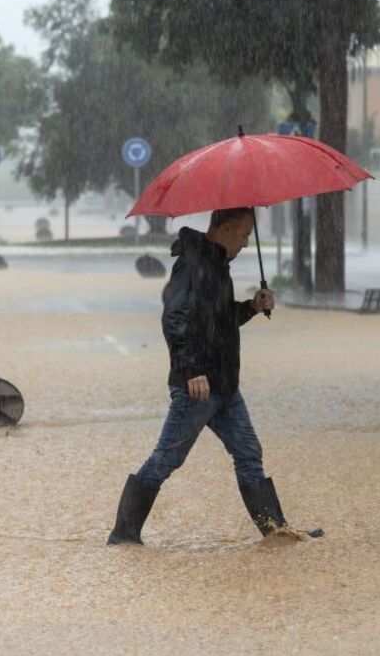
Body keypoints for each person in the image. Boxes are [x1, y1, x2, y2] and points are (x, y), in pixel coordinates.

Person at [107, 207, 322, 545]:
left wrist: (251, 306)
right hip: (198, 387)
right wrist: (191, 369)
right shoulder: (192, 266)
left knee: (249, 452)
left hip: (224, 386)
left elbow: (217, 323)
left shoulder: (218, 266)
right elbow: (174, 318)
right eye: (245, 234)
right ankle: (123, 535)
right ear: (227, 228)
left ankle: (276, 531)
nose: (247, 243)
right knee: (166, 458)